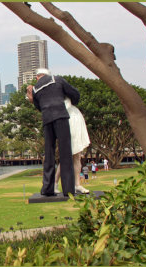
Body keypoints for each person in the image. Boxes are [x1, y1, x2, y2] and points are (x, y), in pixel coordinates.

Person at [27, 68, 80, 197]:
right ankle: (68, 189)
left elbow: (38, 106)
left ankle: (47, 188)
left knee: (49, 154)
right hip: (61, 116)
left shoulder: (35, 89)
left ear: (38, 77)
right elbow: (74, 93)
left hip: (47, 119)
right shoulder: (57, 79)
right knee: (65, 153)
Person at [54, 97, 91, 194]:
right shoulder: (62, 101)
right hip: (69, 125)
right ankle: (55, 183)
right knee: (65, 158)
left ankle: (77, 184)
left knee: (77, 157)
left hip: (76, 122)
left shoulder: (73, 106)